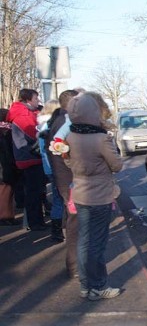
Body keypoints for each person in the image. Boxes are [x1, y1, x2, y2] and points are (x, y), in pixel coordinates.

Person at [67, 92, 123, 300]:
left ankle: (85, 286)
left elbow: (67, 162)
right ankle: (99, 286)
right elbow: (117, 165)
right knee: (97, 244)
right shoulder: (101, 139)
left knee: (83, 242)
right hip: (99, 197)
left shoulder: (70, 137)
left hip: (80, 195)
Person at [46, 89, 81, 277]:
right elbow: (66, 154)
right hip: (71, 180)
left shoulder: (59, 121)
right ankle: (75, 266)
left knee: (73, 221)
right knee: (75, 222)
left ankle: (75, 264)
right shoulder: (65, 123)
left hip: (66, 179)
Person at [6, 88, 48, 231]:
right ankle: (35, 222)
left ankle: (37, 221)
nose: (38, 101)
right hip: (29, 157)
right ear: (28, 100)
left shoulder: (27, 113)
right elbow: (34, 134)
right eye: (36, 99)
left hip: (29, 156)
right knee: (33, 192)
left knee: (36, 191)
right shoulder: (22, 115)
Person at [37, 99, 65, 242]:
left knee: (57, 199)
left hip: (49, 168)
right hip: (56, 168)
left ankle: (57, 231)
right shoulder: (53, 126)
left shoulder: (42, 126)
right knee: (61, 199)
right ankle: (58, 231)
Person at [0, 108, 19, 225]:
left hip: (5, 166)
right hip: (4, 167)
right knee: (5, 192)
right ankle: (5, 216)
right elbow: (6, 152)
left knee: (7, 192)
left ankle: (8, 215)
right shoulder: (5, 131)